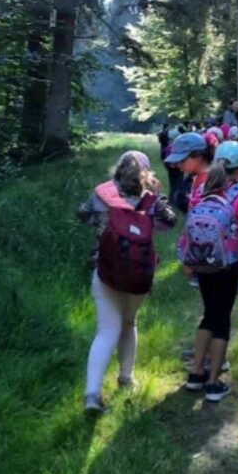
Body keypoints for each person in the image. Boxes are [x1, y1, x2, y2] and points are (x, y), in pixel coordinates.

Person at [78, 151, 178, 414]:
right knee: (129, 322)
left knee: (106, 331)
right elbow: (169, 223)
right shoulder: (151, 199)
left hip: (105, 270)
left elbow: (84, 215)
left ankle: (91, 394)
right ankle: (125, 378)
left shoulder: (101, 194)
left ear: (117, 169)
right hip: (139, 272)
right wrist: (156, 198)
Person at [179, 141, 238, 402]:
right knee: (221, 319)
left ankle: (196, 373)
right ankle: (213, 383)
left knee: (209, 313)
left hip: (202, 260)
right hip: (228, 263)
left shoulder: (203, 188)